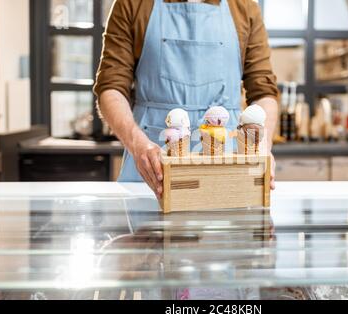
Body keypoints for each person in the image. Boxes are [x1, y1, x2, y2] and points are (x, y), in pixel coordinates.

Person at [94, 0, 279, 198]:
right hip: (151, 166)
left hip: (227, 163)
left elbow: (263, 92)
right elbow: (111, 87)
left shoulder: (244, 7)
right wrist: (137, 145)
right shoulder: (132, 3)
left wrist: (260, 147)